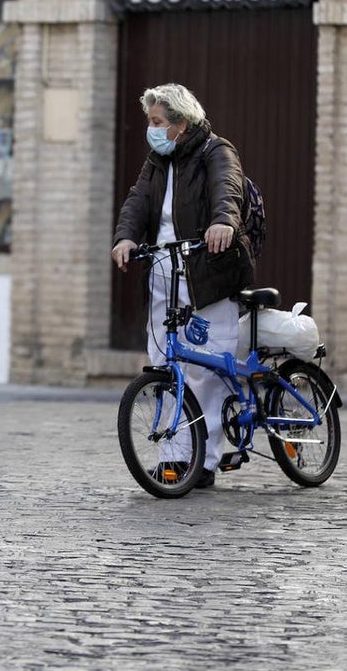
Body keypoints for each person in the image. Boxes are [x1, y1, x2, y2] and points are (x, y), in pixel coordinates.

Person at [111, 83, 254, 489]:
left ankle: (204, 463)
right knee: (165, 365)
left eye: (158, 122)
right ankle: (175, 460)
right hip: (164, 272)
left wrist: (223, 222)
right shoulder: (158, 158)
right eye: (150, 122)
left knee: (204, 369)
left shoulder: (216, 151)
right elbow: (137, 200)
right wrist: (125, 236)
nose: (152, 129)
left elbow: (229, 190)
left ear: (181, 123)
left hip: (207, 275)